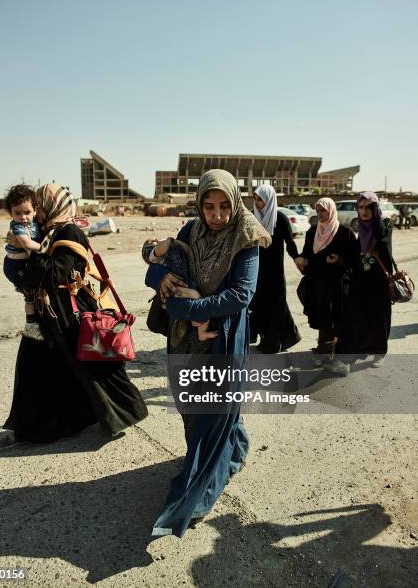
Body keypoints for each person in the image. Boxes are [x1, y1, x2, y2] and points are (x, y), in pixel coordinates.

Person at [145, 169, 271, 538]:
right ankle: (234, 450)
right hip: (186, 340)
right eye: (209, 206)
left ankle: (194, 497)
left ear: (235, 202)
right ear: (199, 204)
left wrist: (187, 308)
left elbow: (240, 296)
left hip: (224, 337)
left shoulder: (246, 236)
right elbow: (157, 268)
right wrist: (160, 280)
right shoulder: (190, 232)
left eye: (223, 206)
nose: (216, 215)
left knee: (213, 412)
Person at [0, 183, 148, 451]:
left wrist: (32, 250)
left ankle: (121, 413)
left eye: (40, 205)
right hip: (50, 314)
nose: (36, 211)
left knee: (94, 367)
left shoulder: (69, 232)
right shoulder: (48, 232)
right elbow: (30, 275)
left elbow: (55, 274)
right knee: (39, 372)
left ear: (54, 206)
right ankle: (33, 429)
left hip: (69, 316)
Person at [295, 197, 357, 375]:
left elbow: (354, 260)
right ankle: (323, 349)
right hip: (317, 283)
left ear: (331, 211)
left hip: (336, 286)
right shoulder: (312, 232)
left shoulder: (345, 233)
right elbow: (307, 252)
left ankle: (330, 353)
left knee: (334, 319)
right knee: (322, 318)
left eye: (323, 210)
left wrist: (339, 261)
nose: (320, 214)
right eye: (318, 211)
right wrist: (302, 259)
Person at [337, 192, 393, 364]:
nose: (364, 211)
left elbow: (381, 235)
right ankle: (363, 347)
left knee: (379, 315)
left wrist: (375, 210)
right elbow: (355, 253)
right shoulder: (360, 227)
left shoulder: (385, 223)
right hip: (362, 278)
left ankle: (379, 352)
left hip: (379, 279)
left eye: (369, 207)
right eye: (361, 207)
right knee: (362, 314)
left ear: (375, 208)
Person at [249, 185, 301, 353]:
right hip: (256, 268)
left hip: (275, 271)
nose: (257, 203)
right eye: (255, 199)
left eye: (260, 200)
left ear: (269, 200)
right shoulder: (251, 217)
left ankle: (272, 342)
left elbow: (290, 243)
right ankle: (287, 336)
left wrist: (297, 258)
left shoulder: (280, 218)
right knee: (259, 303)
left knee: (277, 304)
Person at [142, 237, 217, 343]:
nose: (158, 240)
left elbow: (189, 252)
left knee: (196, 298)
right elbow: (160, 248)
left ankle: (197, 327)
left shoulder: (165, 259)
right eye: (155, 241)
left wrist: (177, 243)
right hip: (177, 288)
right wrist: (170, 241)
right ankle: (196, 324)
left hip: (181, 286)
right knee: (197, 297)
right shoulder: (154, 255)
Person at [3, 184, 43, 340]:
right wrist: (46, 247)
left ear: (35, 210)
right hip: (15, 266)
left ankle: (21, 286)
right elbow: (27, 244)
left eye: (27, 212)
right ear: (10, 213)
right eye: (17, 213)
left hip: (23, 264)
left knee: (32, 290)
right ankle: (30, 326)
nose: (23, 217)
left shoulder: (34, 223)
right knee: (30, 296)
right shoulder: (18, 227)